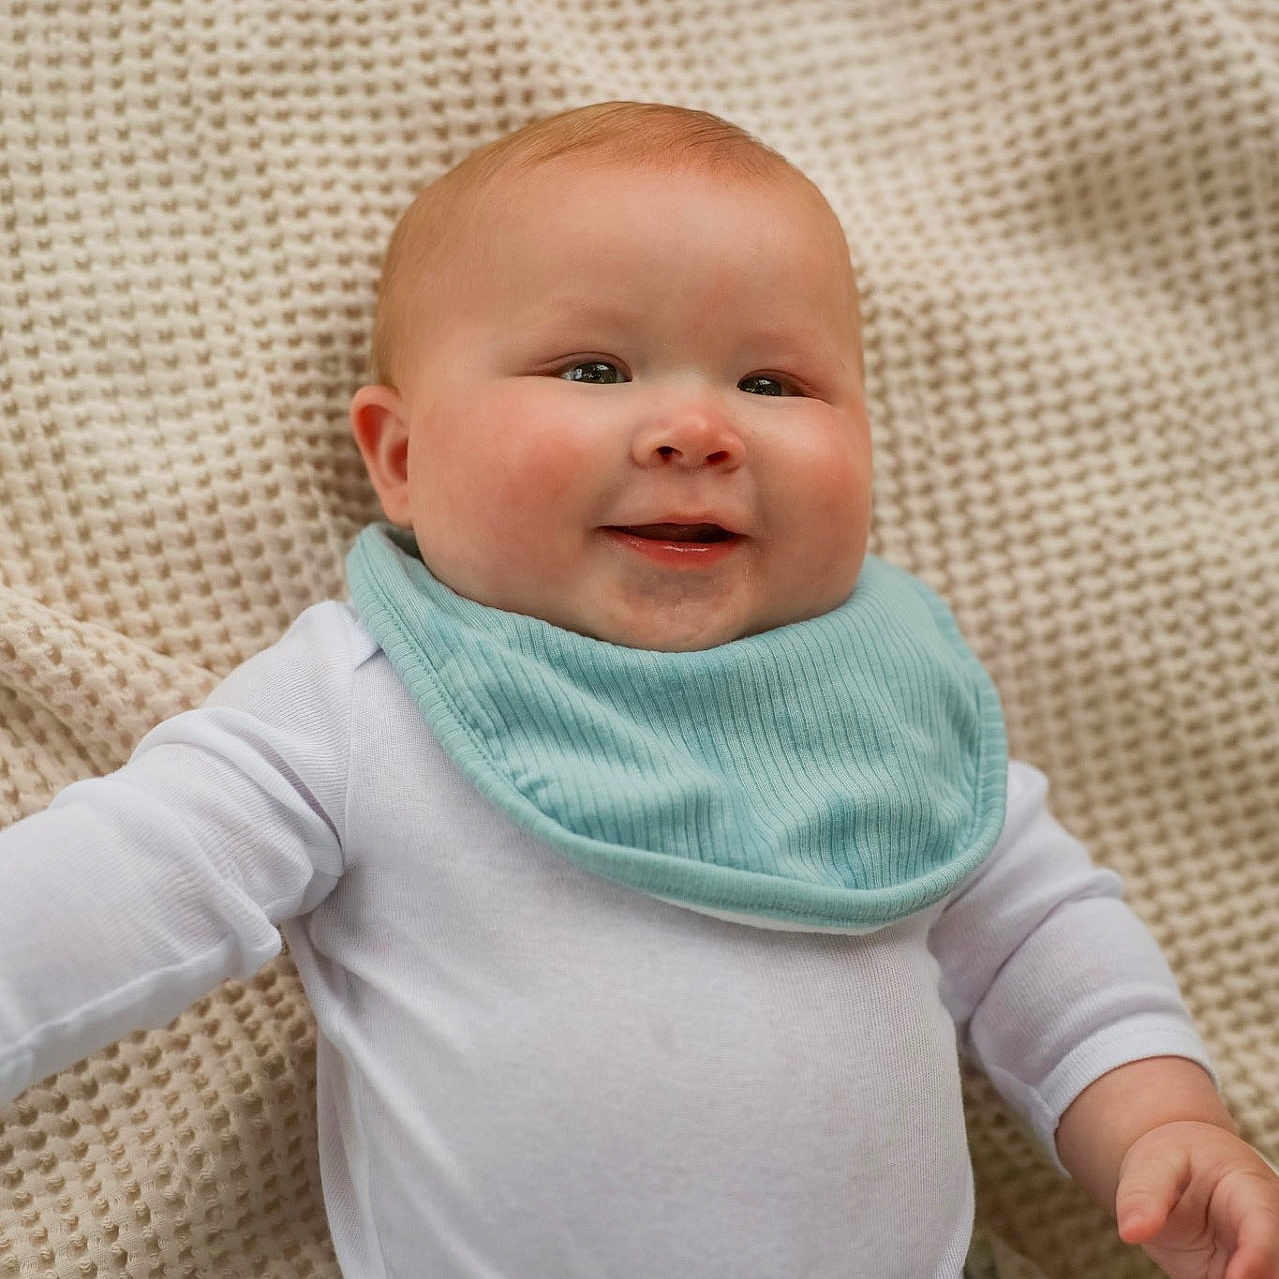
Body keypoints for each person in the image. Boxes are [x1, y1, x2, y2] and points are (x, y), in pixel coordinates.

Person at [2, 100, 1276, 1279]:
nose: (696, 430)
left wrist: (1161, 1114)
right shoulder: (373, 700)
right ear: (400, 456)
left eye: (771, 384)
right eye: (593, 369)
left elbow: (1048, 943)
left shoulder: (883, 705)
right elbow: (130, 876)